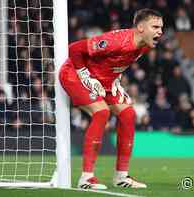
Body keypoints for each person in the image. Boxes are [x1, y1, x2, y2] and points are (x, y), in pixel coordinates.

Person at [59, 8, 163, 189]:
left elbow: (116, 62)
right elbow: (74, 49)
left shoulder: (145, 45)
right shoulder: (115, 41)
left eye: (161, 27)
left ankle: (121, 176)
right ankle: (86, 178)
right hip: (74, 73)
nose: (160, 32)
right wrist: (85, 76)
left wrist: (115, 79)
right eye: (155, 27)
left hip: (105, 80)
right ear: (140, 27)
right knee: (101, 112)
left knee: (129, 114)